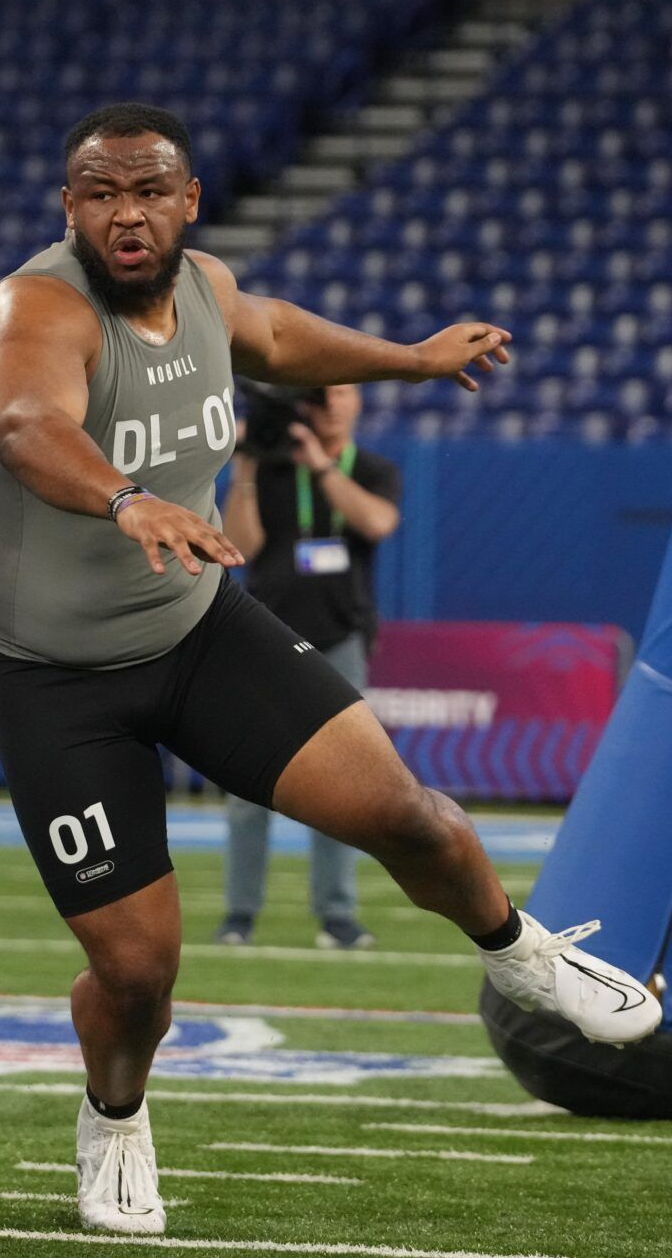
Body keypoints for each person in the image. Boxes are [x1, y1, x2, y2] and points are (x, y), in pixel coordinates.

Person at [0, 102, 659, 1236]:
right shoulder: (34, 306)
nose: (125, 211)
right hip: (52, 675)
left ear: (188, 202)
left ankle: (518, 952)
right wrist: (128, 497)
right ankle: (116, 1117)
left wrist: (417, 360)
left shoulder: (208, 290)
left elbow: (278, 337)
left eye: (148, 190)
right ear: (69, 207)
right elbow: (28, 423)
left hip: (192, 628)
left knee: (414, 816)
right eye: (100, 191)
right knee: (139, 976)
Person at [216, 384, 398, 950]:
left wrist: (320, 467)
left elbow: (376, 523)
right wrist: (245, 468)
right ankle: (239, 914)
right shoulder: (267, 468)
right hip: (265, 634)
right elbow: (238, 545)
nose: (330, 407)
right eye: (318, 399)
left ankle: (337, 915)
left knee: (342, 782)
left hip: (340, 634)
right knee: (246, 784)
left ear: (357, 403)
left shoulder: (369, 468)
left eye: (340, 395)